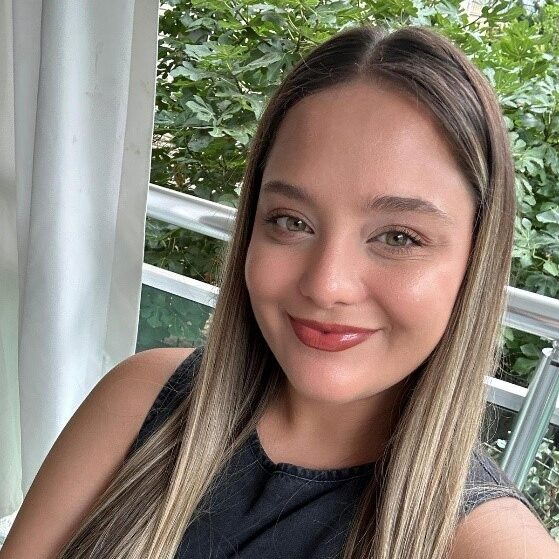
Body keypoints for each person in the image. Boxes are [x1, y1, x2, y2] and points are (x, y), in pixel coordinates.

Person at [2, 24, 558, 559]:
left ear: (475, 262)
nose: (326, 284)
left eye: (398, 237)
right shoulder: (143, 400)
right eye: (291, 221)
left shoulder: (493, 543)